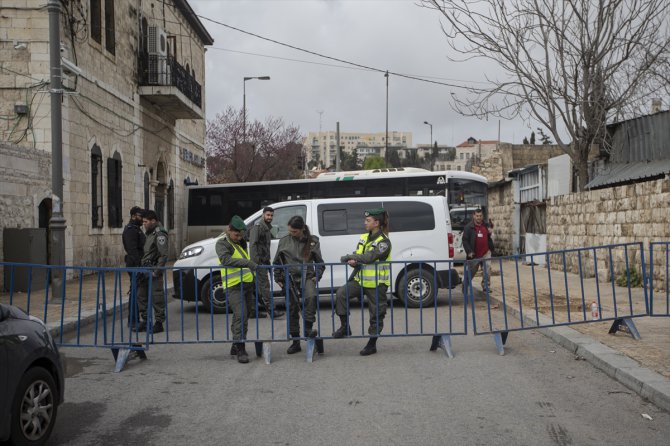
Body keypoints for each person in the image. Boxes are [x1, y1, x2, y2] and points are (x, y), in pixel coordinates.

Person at [333, 208, 392, 356]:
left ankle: (372, 344)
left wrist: (348, 257)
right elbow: (359, 255)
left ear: (377, 223)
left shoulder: (384, 242)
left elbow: (370, 257)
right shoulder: (364, 237)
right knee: (341, 294)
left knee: (376, 314)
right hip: (360, 280)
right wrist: (353, 261)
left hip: (377, 284)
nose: (365, 223)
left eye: (368, 220)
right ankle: (345, 327)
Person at [272, 216, 325, 355]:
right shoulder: (284, 241)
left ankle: (308, 330)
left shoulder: (312, 241)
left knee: (311, 297)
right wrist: (278, 278)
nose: (292, 233)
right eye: (290, 231)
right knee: (292, 308)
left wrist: (316, 275)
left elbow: (320, 262)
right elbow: (277, 262)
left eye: (294, 231)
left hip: (307, 277)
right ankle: (295, 342)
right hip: (289, 279)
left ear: (302, 229)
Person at [215, 215, 258, 364]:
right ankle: (241, 348)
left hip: (246, 285)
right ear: (229, 230)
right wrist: (247, 263)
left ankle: (235, 344)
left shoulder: (240, 243)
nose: (239, 237)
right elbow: (225, 260)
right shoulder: (222, 243)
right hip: (233, 286)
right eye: (236, 234)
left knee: (244, 316)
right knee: (240, 315)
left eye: (241, 235)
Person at [248, 206, 284, 319]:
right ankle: (272, 311)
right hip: (259, 263)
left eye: (271, 215)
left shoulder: (267, 228)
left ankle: (252, 311)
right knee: (265, 287)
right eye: (268, 215)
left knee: (254, 287)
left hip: (264, 262)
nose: (270, 217)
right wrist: (256, 264)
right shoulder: (257, 228)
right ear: (263, 215)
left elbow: (265, 248)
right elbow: (253, 246)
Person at [137, 210, 168, 334]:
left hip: (154, 270)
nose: (143, 224)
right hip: (145, 269)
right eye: (143, 221)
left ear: (153, 221)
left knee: (157, 297)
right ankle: (145, 321)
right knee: (141, 295)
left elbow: (163, 254)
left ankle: (159, 323)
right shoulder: (150, 233)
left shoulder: (160, 234)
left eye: (145, 221)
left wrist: (157, 271)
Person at [462, 208, 495, 297]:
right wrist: (469, 252)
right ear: (473, 216)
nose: (479, 218)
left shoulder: (485, 225)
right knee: (471, 272)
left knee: (487, 270)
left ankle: (486, 287)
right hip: (474, 254)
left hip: (486, 253)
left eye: (480, 216)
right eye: (477, 216)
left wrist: (490, 232)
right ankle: (465, 285)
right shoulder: (468, 227)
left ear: (482, 216)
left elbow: (489, 235)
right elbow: (465, 240)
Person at [122, 206, 145, 295]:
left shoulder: (136, 229)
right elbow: (132, 250)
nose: (142, 219)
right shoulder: (131, 229)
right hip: (135, 265)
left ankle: (138, 308)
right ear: (133, 216)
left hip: (138, 264)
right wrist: (138, 265)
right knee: (136, 291)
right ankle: (134, 309)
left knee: (140, 291)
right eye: (140, 216)